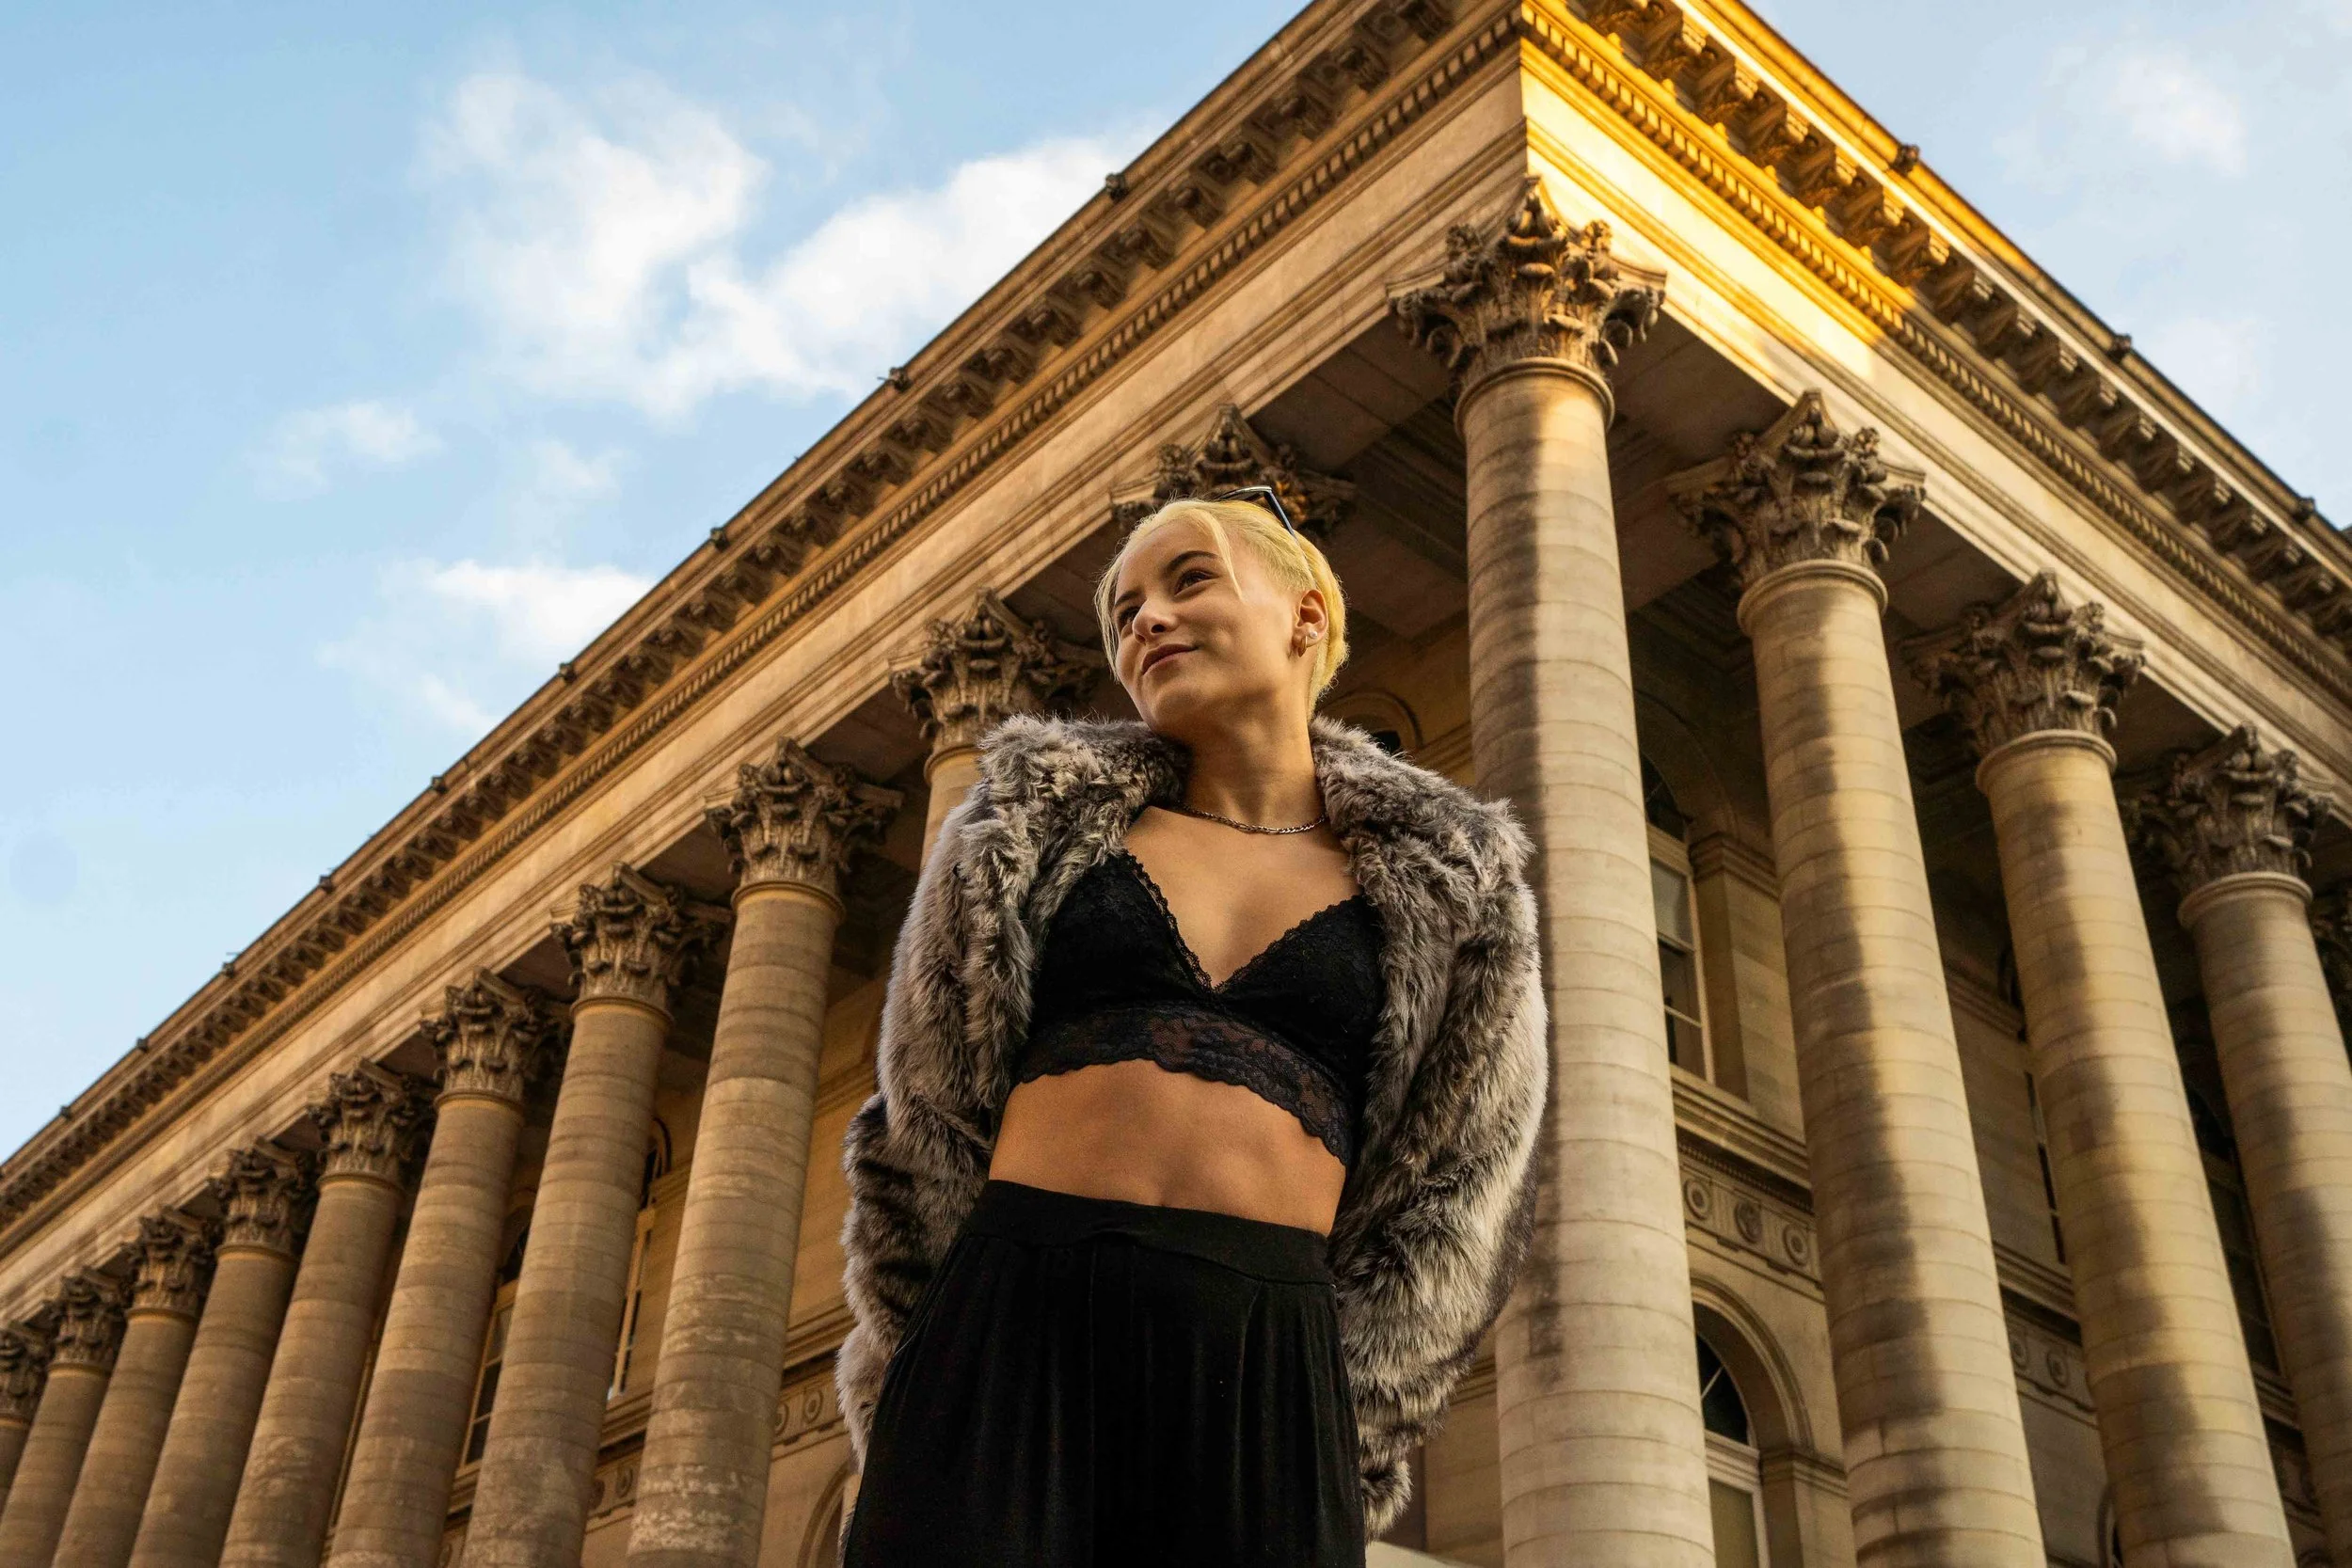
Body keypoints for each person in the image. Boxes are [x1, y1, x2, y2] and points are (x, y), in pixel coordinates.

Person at [834, 490, 1549, 1566]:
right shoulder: (1023, 826)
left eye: (1188, 579)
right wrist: (920, 1370)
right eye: (1123, 612)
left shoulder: (1458, 882)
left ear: (1305, 616)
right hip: (1007, 1322)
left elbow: (1461, 1183)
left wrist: (1340, 1422)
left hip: (1269, 1360)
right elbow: (923, 1112)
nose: (1145, 621)